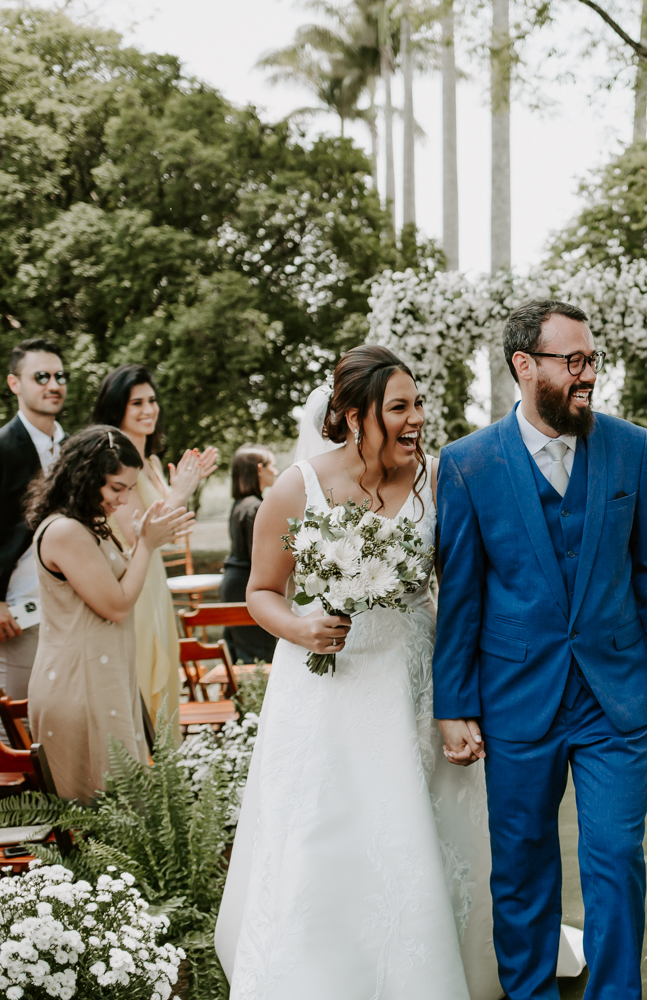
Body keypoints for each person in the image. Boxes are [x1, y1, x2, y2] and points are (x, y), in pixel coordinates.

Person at [217, 345, 502, 999]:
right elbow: (262, 591)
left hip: (411, 676)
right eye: (398, 408)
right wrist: (299, 627)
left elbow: (457, 590)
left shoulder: (435, 480)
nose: (416, 419)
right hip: (328, 687)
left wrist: (458, 699)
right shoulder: (298, 487)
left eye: (418, 404)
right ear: (352, 416)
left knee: (420, 825)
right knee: (327, 828)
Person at [432, 300, 647, 1000]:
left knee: (614, 860)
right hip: (517, 693)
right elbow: (461, 597)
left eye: (591, 360)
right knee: (521, 866)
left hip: (614, 690)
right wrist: (454, 701)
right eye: (571, 362)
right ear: (525, 366)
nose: (587, 376)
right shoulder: (467, 464)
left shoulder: (629, 447)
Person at [24, 426, 192, 802]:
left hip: (103, 676)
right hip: (79, 684)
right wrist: (146, 544)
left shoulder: (88, 527)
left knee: (124, 808)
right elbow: (116, 605)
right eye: (116, 487)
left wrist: (141, 542)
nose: (123, 498)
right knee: (102, 814)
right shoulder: (65, 530)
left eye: (129, 488)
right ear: (85, 476)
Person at [90, 364, 219, 725]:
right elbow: (137, 534)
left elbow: (172, 536)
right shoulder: (115, 463)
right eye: (136, 403)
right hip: (133, 580)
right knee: (143, 675)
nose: (148, 409)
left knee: (164, 670)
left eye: (152, 400)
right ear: (117, 408)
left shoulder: (151, 463)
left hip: (156, 581)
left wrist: (180, 492)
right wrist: (180, 492)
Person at [0, 338, 68, 738]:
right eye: (41, 376)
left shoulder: (74, 450)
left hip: (70, 606)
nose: (53, 384)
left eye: (59, 376)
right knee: (13, 726)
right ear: (14, 383)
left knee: (61, 721)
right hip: (16, 613)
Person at [220, 445, 277, 664]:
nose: (277, 471)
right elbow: (261, 558)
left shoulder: (242, 505)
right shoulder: (255, 508)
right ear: (260, 469)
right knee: (257, 656)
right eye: (273, 465)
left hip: (234, 584)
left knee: (242, 655)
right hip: (244, 586)